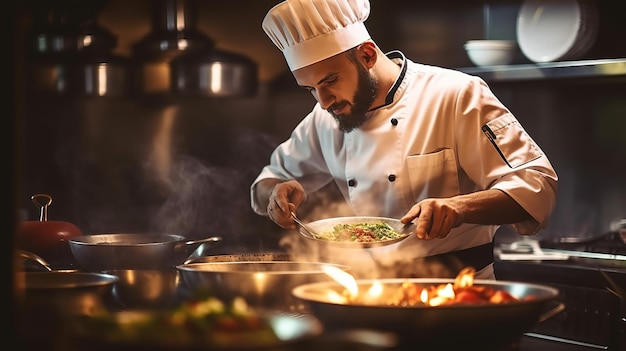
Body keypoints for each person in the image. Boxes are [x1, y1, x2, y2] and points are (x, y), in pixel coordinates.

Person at [250, 0, 558, 279]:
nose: (324, 100)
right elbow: (269, 182)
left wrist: (459, 208)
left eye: (330, 81)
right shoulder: (326, 116)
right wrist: (275, 194)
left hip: (456, 293)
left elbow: (536, 187)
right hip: (368, 293)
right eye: (310, 89)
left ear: (367, 54)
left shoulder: (455, 94)